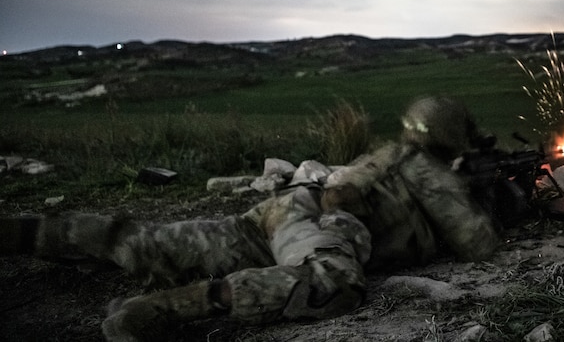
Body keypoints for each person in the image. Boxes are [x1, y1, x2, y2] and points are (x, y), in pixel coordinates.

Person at [0, 96, 502, 342]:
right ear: (453, 135)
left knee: (150, 242)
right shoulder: (433, 171)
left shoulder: (391, 152)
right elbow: (477, 244)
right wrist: (486, 194)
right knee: (332, 283)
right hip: (318, 225)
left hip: (281, 211)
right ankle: (164, 307)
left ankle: (27, 231)